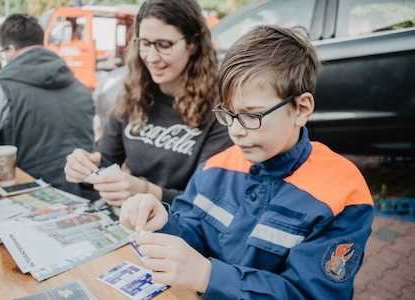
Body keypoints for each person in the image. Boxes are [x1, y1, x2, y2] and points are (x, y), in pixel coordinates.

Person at [119, 25, 374, 299]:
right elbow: (194, 229)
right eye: (228, 114)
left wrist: (208, 275)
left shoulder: (342, 194)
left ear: (301, 108)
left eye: (251, 116)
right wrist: (164, 220)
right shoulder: (216, 167)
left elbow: (312, 294)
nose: (236, 131)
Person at [64, 0, 232, 206]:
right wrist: (86, 170)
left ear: (193, 44)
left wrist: (146, 191)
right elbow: (107, 162)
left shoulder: (221, 110)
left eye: (164, 45)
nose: (151, 57)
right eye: (144, 43)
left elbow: (206, 202)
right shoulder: (133, 93)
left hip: (181, 231)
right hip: (130, 222)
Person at [0, 14, 95, 197]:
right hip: (85, 197)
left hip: (29, 200)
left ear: (10, 48)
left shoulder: (1, 91)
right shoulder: (80, 87)